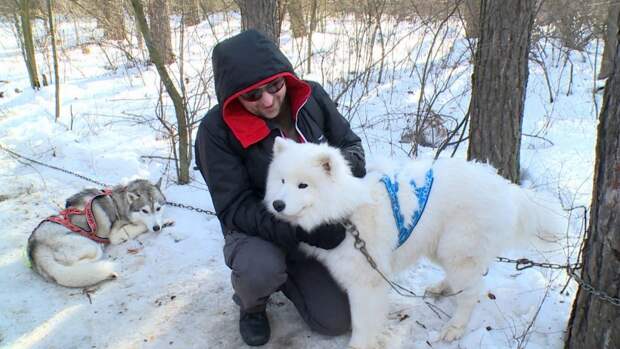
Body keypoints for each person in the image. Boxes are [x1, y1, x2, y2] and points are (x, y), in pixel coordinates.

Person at [194, 29, 366, 346]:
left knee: (337, 320)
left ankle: (294, 277)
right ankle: (252, 303)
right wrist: (301, 230)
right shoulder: (215, 131)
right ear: (234, 97)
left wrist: (338, 171)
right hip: (256, 231)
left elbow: (351, 146)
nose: (269, 100)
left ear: (285, 76)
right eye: (253, 96)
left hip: (316, 218)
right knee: (259, 269)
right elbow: (234, 208)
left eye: (275, 86)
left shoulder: (311, 98)